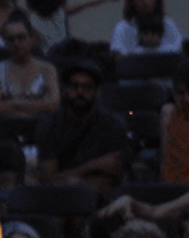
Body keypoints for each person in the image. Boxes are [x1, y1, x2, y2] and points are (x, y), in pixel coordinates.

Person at [36, 60, 128, 200]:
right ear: (65, 91)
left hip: (99, 198)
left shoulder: (113, 124)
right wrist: (92, 166)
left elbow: (112, 179)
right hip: (57, 198)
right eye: (74, 86)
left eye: (87, 87)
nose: (80, 92)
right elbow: (47, 181)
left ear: (97, 92)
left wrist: (74, 180)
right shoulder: (49, 124)